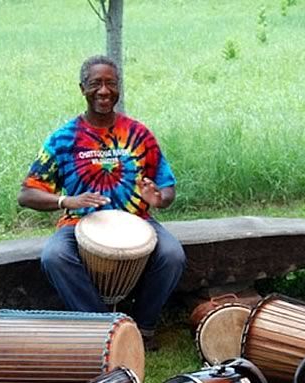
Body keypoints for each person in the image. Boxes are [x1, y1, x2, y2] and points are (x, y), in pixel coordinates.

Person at [17, 55, 186, 351]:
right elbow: (27, 193)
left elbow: (167, 186)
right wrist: (65, 199)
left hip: (138, 222)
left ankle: (143, 328)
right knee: (54, 257)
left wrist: (158, 198)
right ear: (82, 88)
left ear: (119, 87)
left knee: (172, 255)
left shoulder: (139, 134)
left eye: (110, 83)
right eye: (96, 84)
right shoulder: (64, 138)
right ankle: (104, 329)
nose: (104, 91)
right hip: (79, 223)